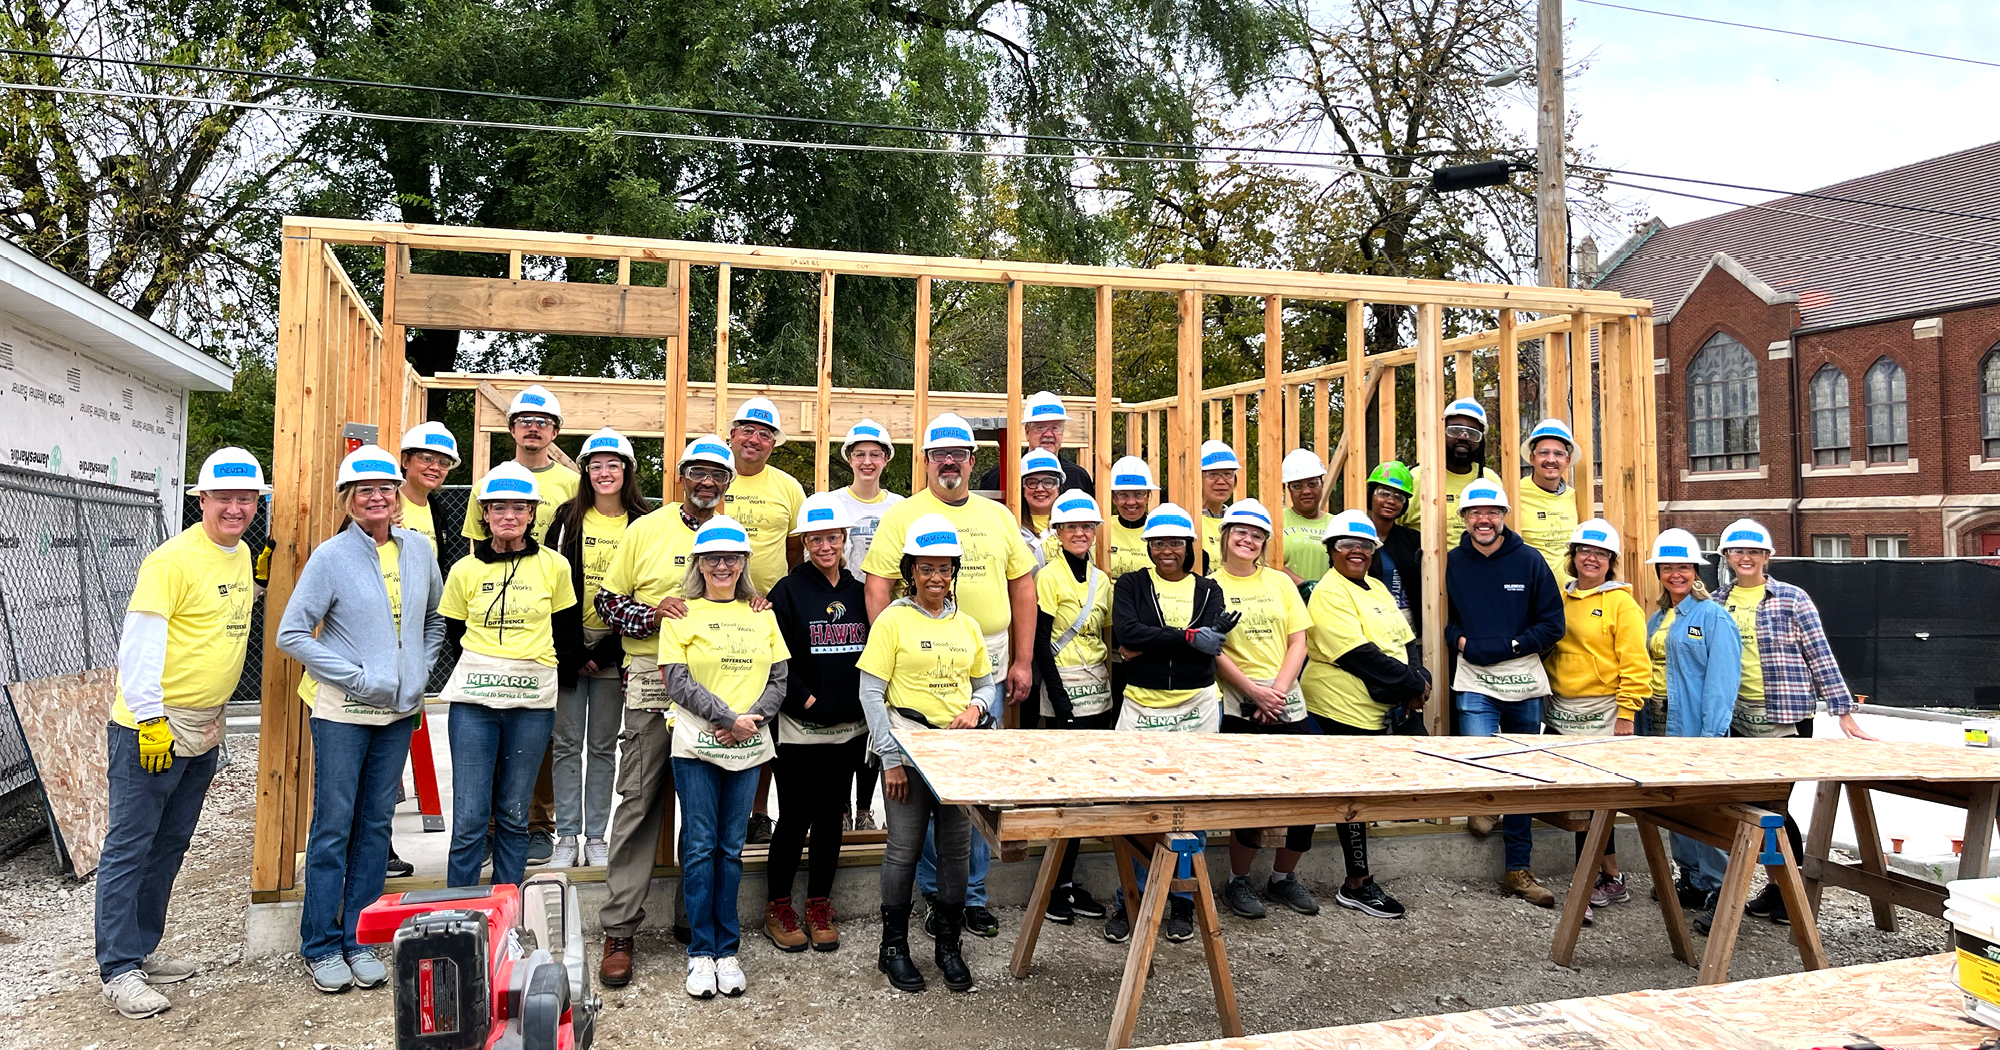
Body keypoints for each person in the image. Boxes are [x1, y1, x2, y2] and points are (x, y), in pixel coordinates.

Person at [96, 448, 262, 1020]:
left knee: (170, 842)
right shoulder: (171, 562)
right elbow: (140, 644)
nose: (235, 508)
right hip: (156, 724)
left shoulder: (242, 555)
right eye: (225, 498)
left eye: (246, 499)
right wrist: (148, 719)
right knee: (131, 844)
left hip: (205, 722)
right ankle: (118, 968)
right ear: (202, 500)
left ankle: (141, 948)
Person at [278, 447, 446, 993]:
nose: (377, 498)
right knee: (334, 825)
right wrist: (355, 677)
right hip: (344, 714)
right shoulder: (330, 557)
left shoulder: (418, 550)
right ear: (348, 500)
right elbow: (291, 633)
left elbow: (435, 620)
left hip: (397, 713)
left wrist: (418, 670)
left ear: (397, 496)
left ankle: (361, 936)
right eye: (364, 490)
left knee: (375, 824)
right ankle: (321, 945)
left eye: (385, 489)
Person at [862, 412, 1036, 940]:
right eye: (940, 454)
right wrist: (894, 650)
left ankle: (970, 896)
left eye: (959, 453)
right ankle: (934, 894)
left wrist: (1022, 659)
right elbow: (877, 585)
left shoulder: (998, 516)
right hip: (918, 665)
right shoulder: (904, 515)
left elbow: (1022, 587)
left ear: (973, 460)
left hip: (983, 662)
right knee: (918, 791)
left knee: (971, 793)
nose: (950, 462)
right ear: (926, 461)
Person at [595, 435, 737, 986]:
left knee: (703, 808)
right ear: (680, 477)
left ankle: (692, 919)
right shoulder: (646, 530)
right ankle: (620, 929)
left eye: (717, 475)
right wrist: (654, 615)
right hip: (654, 686)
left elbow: (749, 599)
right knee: (639, 803)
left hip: (714, 691)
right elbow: (607, 603)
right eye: (697, 472)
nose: (707, 482)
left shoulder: (733, 535)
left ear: (728, 483)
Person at [859, 516, 1003, 994]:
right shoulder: (893, 620)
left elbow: (985, 684)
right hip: (906, 747)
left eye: (944, 568)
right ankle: (894, 949)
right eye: (926, 568)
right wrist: (890, 758)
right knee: (903, 850)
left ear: (954, 571)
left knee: (956, 851)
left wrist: (977, 707)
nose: (936, 577)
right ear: (911, 571)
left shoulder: (967, 625)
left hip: (955, 753)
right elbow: (871, 693)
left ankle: (948, 946)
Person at [1714, 517, 1874, 926]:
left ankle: (1791, 891)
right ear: (1726, 556)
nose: (1746, 558)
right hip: (1738, 719)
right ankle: (1776, 887)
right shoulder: (1717, 602)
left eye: (1754, 551)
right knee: (1752, 808)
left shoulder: (1791, 598)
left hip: (1786, 717)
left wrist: (1842, 709)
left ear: (1767, 557)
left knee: (1775, 808)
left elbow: (1818, 653)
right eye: (1738, 551)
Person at [657, 515, 789, 1000]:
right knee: (699, 848)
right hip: (698, 745)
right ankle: (700, 952)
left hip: (747, 746)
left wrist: (750, 720)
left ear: (743, 562)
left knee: (731, 849)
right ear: (699, 563)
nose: (722, 565)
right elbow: (677, 681)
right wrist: (729, 718)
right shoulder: (681, 614)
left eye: (731, 557)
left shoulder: (762, 614)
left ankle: (727, 950)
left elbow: (779, 679)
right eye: (712, 557)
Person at [439, 462, 582, 890]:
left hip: (530, 706)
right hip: (475, 705)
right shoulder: (465, 570)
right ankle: (460, 908)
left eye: (519, 508)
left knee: (515, 814)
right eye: (498, 507)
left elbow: (565, 631)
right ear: (484, 514)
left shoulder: (555, 566)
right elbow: (455, 633)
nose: (509, 516)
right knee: (469, 818)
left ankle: (506, 907)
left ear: (532, 514)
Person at [1104, 504, 1236, 944]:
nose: (1166, 550)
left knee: (1189, 807)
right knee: (1137, 804)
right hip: (1142, 705)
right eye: (1158, 542)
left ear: (1188, 546)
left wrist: (1154, 644)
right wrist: (1188, 638)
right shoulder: (1131, 584)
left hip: (1197, 707)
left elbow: (1205, 650)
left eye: (1175, 542)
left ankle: (1181, 900)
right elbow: (1127, 634)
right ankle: (1132, 898)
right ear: (1148, 545)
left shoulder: (1209, 589)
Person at [1301, 510, 1430, 920]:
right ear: (1330, 550)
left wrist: (1420, 677)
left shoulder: (1376, 587)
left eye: (1365, 545)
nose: (1356, 551)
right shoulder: (1329, 592)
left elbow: (1406, 641)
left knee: (1365, 793)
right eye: (1346, 544)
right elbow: (1359, 656)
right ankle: (1356, 883)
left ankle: (1356, 880)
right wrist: (1412, 684)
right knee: (1350, 796)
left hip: (1378, 708)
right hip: (1340, 709)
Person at [1443, 479, 1564, 907]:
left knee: (1522, 774)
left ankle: (1518, 869)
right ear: (1464, 518)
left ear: (1504, 517)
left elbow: (1552, 624)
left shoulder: (1529, 561)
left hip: (1522, 680)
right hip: (1475, 679)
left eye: (1492, 512)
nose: (1484, 519)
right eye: (1476, 512)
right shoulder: (1452, 562)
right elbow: (1444, 618)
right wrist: (1461, 641)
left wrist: (1509, 646)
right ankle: (1485, 801)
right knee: (1481, 760)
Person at [764, 494, 871, 953]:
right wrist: (805, 697)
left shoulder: (859, 591)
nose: (825, 546)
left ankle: (819, 904)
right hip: (799, 729)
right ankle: (778, 906)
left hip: (848, 729)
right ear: (804, 543)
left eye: (832, 537)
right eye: (815, 539)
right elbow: (774, 653)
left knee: (831, 817)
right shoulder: (788, 591)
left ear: (844, 539)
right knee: (794, 816)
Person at [542, 428, 651, 868]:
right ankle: (567, 837)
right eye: (596, 465)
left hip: (617, 648)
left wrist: (606, 651)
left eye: (613, 465)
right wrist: (572, 650)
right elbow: (549, 583)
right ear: (585, 471)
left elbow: (645, 589)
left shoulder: (642, 522)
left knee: (604, 745)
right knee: (567, 743)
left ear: (627, 471)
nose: (604, 473)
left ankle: (595, 837)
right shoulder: (567, 518)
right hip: (568, 646)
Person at [1208, 499, 1321, 920]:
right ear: (1226, 535)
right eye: (1241, 532)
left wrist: (1277, 691)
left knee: (1304, 794)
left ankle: (1282, 878)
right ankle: (1237, 880)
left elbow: (1298, 641)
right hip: (1240, 701)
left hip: (1285, 698)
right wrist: (1254, 692)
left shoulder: (1279, 583)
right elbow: (1214, 649)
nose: (1248, 540)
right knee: (1251, 796)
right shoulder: (1209, 586)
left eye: (1257, 535)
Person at [1544, 518, 1649, 917]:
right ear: (1573, 556)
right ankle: (1611, 875)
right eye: (1585, 551)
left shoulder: (1622, 604)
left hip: (1602, 711)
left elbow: (1635, 663)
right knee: (1581, 802)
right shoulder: (1561, 598)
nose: (1592, 558)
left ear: (1611, 561)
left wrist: (1627, 714)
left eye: (1601, 553)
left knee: (1590, 800)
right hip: (1562, 710)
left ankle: (1585, 886)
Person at [1641, 528, 1740, 933]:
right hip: (1659, 721)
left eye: (1683, 566)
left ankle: (1721, 890)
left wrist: (1712, 736)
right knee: (1675, 804)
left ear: (1696, 570)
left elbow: (1722, 680)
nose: (1675, 574)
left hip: (1696, 727)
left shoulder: (1713, 616)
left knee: (1706, 810)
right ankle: (1693, 879)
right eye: (1667, 567)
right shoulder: (1657, 618)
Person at [723, 396, 807, 846]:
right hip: (718, 611)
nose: (754, 439)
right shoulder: (715, 477)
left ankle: (757, 812)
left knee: (764, 713)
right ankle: (722, 809)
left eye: (764, 433)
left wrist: (781, 600)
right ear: (731, 435)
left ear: (774, 443)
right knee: (720, 707)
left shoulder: (788, 488)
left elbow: (795, 552)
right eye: (747, 430)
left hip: (770, 614)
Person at [1029, 491, 1113, 926]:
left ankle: (1067, 881)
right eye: (1071, 527)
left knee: (1086, 791)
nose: (1080, 533)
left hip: (1098, 691)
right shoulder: (1049, 578)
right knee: (1063, 790)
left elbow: (1105, 638)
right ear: (1058, 533)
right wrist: (1060, 701)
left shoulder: (1102, 581)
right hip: (1063, 688)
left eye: (1086, 527)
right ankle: (1053, 885)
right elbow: (1041, 643)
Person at [825, 419, 901, 830]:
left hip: (888, 615)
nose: (867, 461)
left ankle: (865, 810)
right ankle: (840, 806)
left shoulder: (900, 507)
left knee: (876, 713)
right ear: (849, 459)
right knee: (847, 714)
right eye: (859, 454)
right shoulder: (833, 503)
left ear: (886, 458)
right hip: (843, 612)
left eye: (875, 454)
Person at [458, 384, 580, 544]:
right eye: (525, 421)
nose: (533, 428)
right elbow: (480, 547)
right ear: (512, 429)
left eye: (543, 422)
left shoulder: (575, 485)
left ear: (555, 432)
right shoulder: (486, 486)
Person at [1400, 397, 1503, 550]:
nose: (1463, 437)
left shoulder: (1490, 480)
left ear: (1481, 440)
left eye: (1472, 433)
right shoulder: (1417, 478)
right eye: (1454, 430)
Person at [976, 390, 1094, 494]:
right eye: (1041, 427)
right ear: (1027, 431)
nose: (1048, 434)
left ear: (1062, 433)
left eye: (1055, 428)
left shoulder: (1079, 478)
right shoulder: (999, 476)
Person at [1362, 462, 1425, 641]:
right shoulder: (1356, 535)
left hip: (1408, 627)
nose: (1391, 500)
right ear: (1371, 495)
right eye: (1384, 493)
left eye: (1399, 497)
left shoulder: (1413, 539)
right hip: (1368, 624)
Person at [1516, 419, 1581, 579]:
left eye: (1558, 454)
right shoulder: (1515, 495)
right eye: (1544, 453)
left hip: (1569, 592)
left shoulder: (1574, 497)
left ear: (1567, 460)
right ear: (1532, 458)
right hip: (1531, 592)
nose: (1551, 460)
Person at [398, 420, 460, 549]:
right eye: (427, 458)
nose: (435, 467)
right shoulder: (384, 507)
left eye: (444, 463)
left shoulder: (439, 513)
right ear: (405, 461)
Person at [1278, 449, 1333, 595]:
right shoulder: (1276, 521)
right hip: (1286, 601)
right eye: (1297, 486)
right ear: (1289, 489)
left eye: (1312, 484)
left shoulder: (1336, 525)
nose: (1306, 491)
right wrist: (1302, 585)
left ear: (1322, 484)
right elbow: (1266, 562)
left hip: (1329, 601)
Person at [1104, 456, 1157, 580]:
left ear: (1148, 496)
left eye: (1138, 494)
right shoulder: (1102, 530)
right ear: (1113, 498)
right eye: (1123, 494)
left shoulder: (1159, 530)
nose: (1131, 502)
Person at [1195, 440, 1241, 574]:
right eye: (1213, 474)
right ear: (1198, 478)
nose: (1221, 481)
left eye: (1227, 474)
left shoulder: (1238, 520)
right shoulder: (1188, 520)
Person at [1016, 448, 1066, 566]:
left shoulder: (1075, 523)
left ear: (1058, 488)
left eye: (1048, 482)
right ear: (1022, 489)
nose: (1040, 489)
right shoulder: (1012, 526)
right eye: (1032, 482)